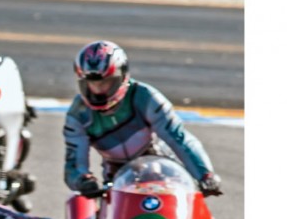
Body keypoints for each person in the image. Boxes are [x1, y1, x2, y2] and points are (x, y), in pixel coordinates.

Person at [63, 40, 223, 197]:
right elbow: (74, 161)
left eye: (105, 83)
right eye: (92, 84)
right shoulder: (78, 115)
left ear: (122, 77)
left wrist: (205, 175)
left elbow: (178, 137)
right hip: (118, 181)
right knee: (80, 207)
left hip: (164, 171)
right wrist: (83, 180)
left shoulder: (146, 98)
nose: (98, 91)